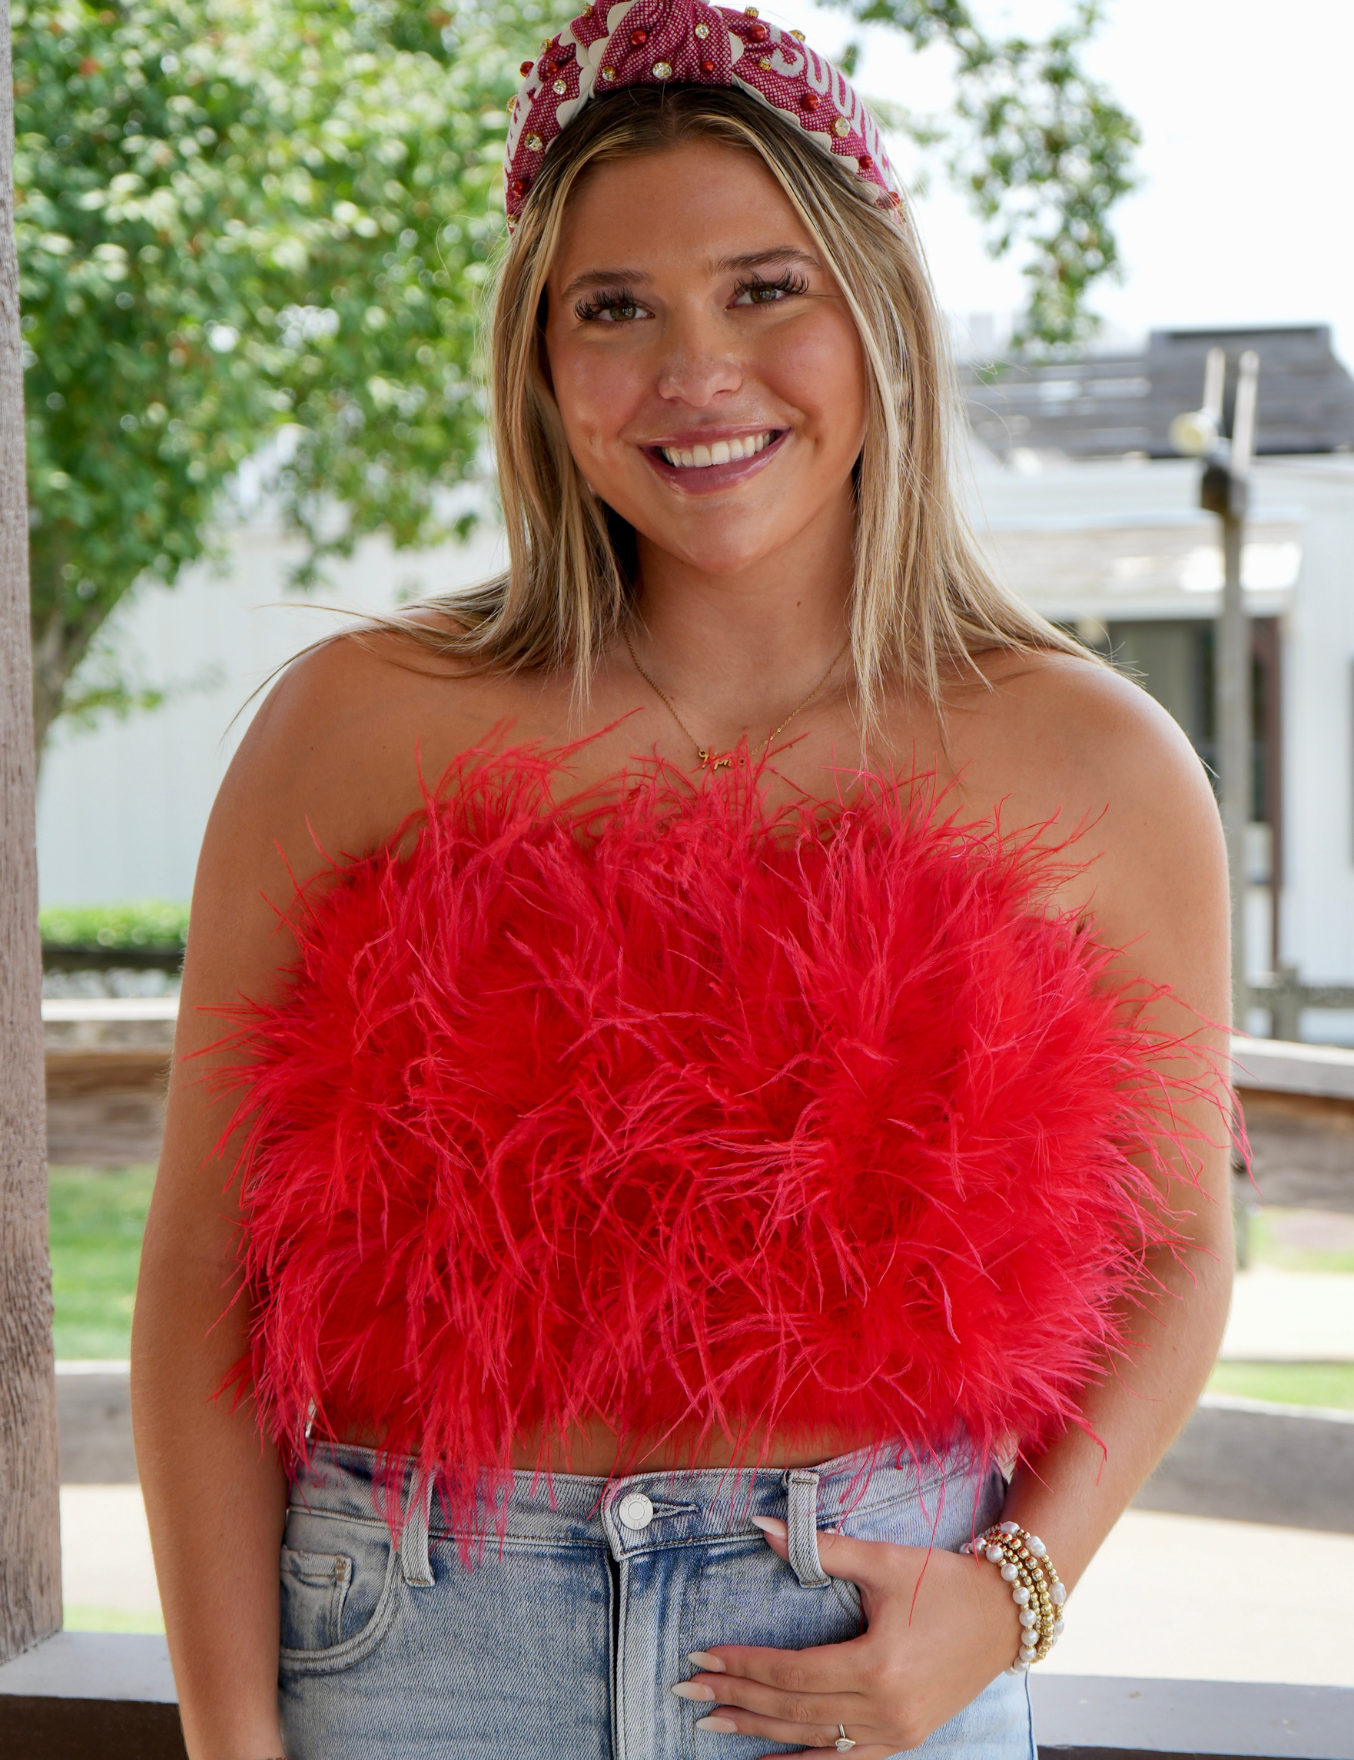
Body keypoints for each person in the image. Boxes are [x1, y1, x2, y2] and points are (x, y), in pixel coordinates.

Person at [131, 4, 1233, 1757]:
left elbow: (1181, 1253)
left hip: (860, 1653)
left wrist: (1013, 1592)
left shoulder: (1091, 761)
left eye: (764, 288)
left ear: (877, 320)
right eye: (614, 309)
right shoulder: (356, 729)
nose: (693, 373)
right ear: (541, 366)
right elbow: (201, 1274)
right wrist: (227, 1741)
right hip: (414, 1653)